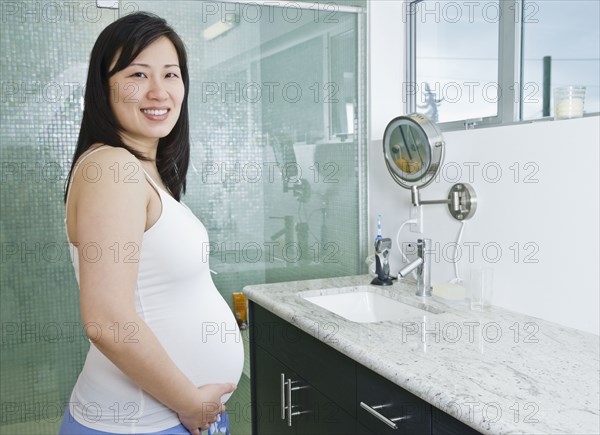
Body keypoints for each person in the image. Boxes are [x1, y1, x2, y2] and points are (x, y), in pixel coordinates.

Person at [60, 12, 243, 435]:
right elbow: (106, 320)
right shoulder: (112, 168)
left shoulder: (141, 168)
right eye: (138, 74)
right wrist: (191, 403)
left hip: (172, 417)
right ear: (103, 87)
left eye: (171, 74)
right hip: (143, 422)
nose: (159, 91)